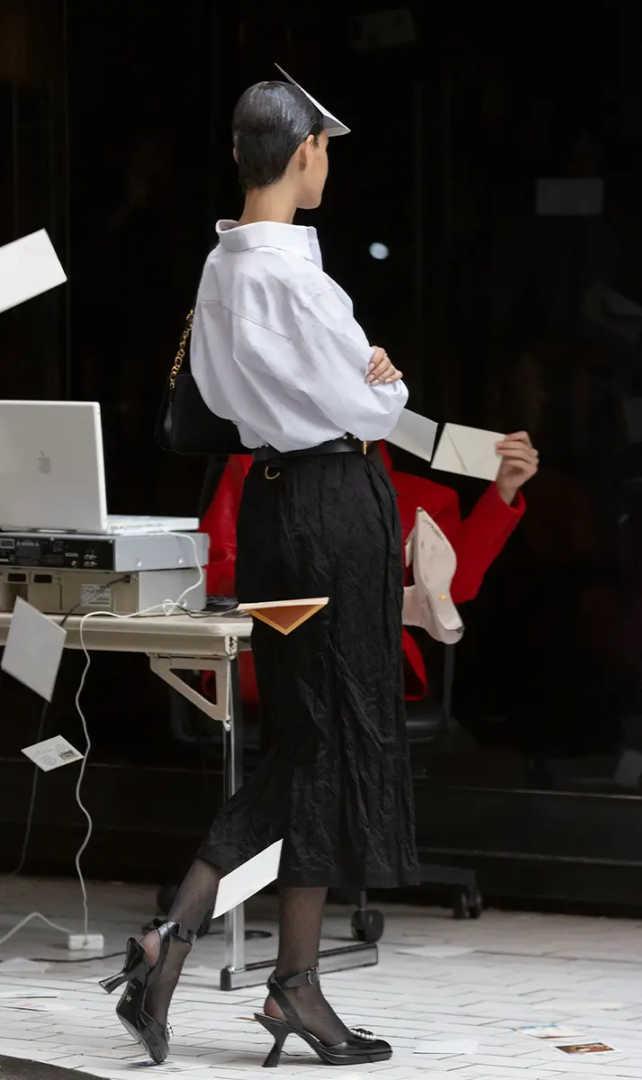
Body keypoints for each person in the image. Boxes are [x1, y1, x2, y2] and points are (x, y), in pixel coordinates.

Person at [100, 73, 418, 1069]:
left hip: (277, 506)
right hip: (332, 508)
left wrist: (362, 379)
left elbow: (232, 403)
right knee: (320, 747)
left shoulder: (222, 268)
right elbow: (374, 407)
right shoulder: (293, 277)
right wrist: (384, 377)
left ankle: (220, 960)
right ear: (306, 153)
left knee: (302, 748)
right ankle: (274, 978)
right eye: (328, 147)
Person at [199, 435, 536, 706]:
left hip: (368, 659)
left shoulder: (426, 497)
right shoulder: (255, 467)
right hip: (266, 649)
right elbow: (215, 575)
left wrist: (503, 491)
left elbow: (453, 590)